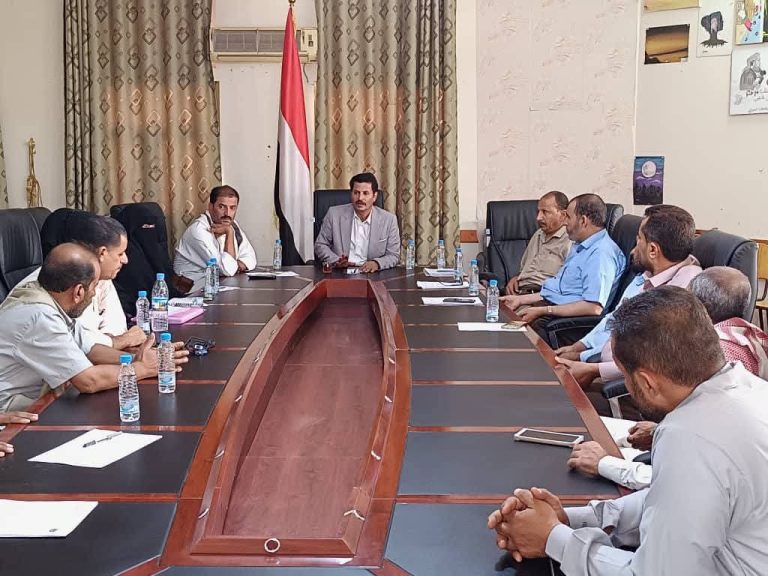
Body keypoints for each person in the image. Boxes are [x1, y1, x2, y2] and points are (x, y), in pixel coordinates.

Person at [488, 287, 768, 575]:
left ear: (647, 382)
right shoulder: (749, 390)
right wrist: (570, 520)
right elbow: (668, 502)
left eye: (625, 376)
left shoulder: (691, 436)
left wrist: (552, 539)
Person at [568, 266, 768, 490]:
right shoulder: (746, 338)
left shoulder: (710, 359)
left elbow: (678, 483)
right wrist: (658, 432)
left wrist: (606, 464)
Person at [0, 244, 189, 412]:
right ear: (78, 291)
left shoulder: (49, 296)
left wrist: (136, 358)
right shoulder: (39, 316)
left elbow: (89, 348)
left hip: (43, 398)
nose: (94, 294)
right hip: (14, 410)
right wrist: (143, 368)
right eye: (94, 287)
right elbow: (88, 381)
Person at [555, 205, 701, 388]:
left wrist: (592, 368)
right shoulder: (647, 275)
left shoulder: (680, 293)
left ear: (653, 250)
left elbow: (652, 361)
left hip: (627, 385)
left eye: (639, 239)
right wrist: (579, 349)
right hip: (602, 364)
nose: (633, 249)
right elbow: (615, 319)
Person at [500, 194, 625, 342]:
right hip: (551, 311)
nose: (565, 222)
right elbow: (557, 292)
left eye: (568, 217)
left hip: (563, 325)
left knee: (508, 339)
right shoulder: (581, 246)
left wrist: (543, 310)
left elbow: (593, 307)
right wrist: (520, 300)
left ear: (583, 221)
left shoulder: (600, 254)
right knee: (499, 317)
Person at [22, 211, 146, 351]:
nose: (125, 260)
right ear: (102, 253)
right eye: (120, 253)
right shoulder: (60, 282)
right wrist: (120, 342)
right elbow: (79, 344)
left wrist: (117, 343)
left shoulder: (104, 279)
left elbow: (116, 326)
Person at [174, 185, 257, 291]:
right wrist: (229, 233)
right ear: (210, 207)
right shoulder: (198, 231)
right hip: (192, 291)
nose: (227, 213)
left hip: (218, 286)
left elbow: (250, 258)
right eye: (222, 207)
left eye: (232, 208)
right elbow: (228, 270)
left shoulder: (232, 225)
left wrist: (236, 266)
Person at [314, 172, 400, 273]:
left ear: (374, 196)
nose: (360, 198)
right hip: (341, 272)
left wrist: (376, 263)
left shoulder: (389, 220)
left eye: (365, 193)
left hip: (372, 273)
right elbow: (320, 245)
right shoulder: (334, 214)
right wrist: (336, 261)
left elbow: (393, 255)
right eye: (356, 193)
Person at [505, 191, 571, 294]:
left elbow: (568, 284)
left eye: (545, 212)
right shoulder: (538, 234)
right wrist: (516, 278)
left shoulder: (570, 240)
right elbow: (524, 270)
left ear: (563, 215)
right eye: (538, 212)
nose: (538, 217)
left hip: (543, 296)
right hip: (520, 293)